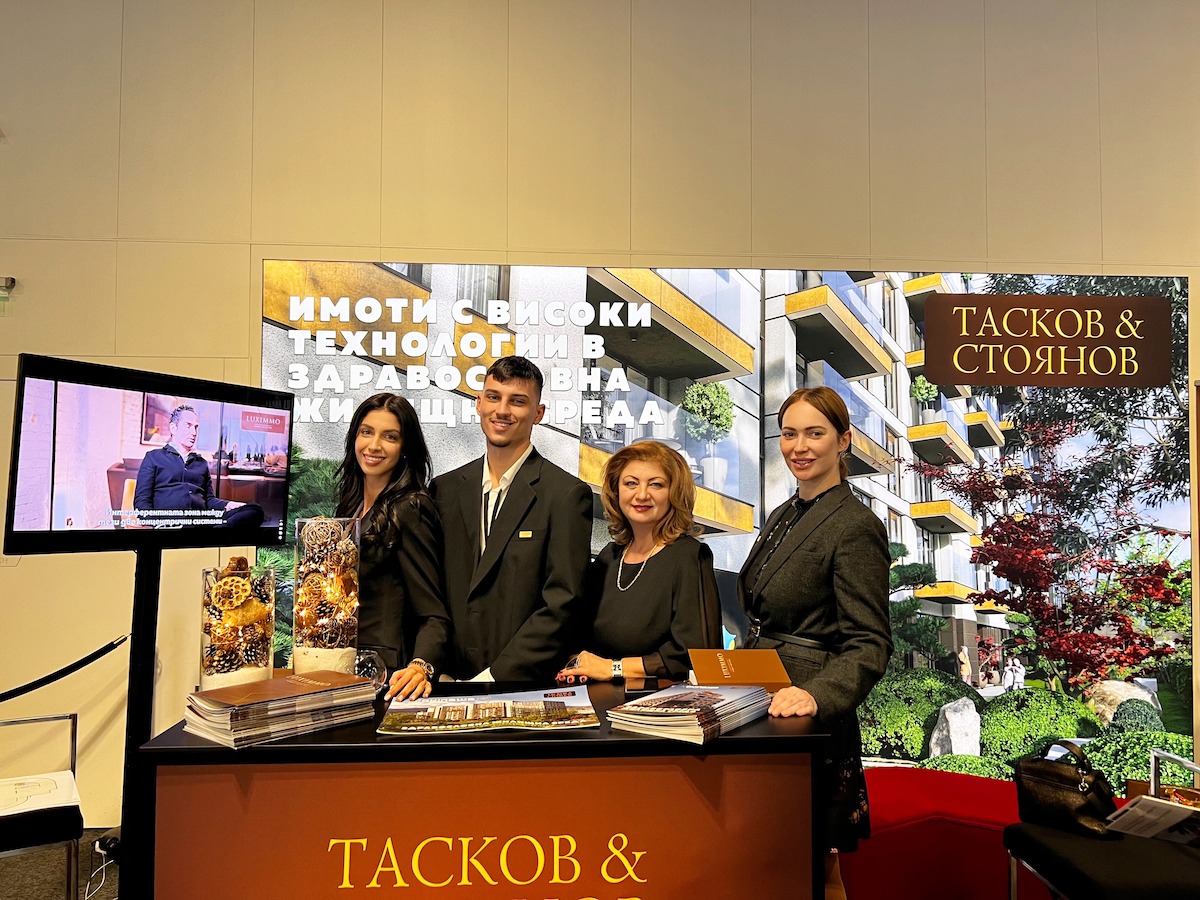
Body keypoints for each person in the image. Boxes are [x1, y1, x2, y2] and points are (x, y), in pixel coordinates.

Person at [737, 386, 891, 900]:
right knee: (770, 860)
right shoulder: (784, 514)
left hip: (809, 710)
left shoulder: (856, 525)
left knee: (816, 868)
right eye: (789, 434)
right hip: (762, 696)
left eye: (814, 433)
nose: (799, 446)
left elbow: (870, 642)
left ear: (843, 440)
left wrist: (817, 695)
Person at [431, 356, 592, 682]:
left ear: (538, 413)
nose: (502, 410)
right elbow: (431, 593)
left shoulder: (566, 495)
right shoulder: (443, 490)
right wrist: (432, 665)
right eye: (494, 397)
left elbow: (563, 603)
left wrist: (494, 676)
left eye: (517, 401)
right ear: (479, 403)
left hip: (522, 688)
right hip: (445, 682)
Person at [556, 441, 722, 685]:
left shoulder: (690, 555)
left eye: (656, 484)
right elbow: (577, 632)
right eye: (631, 483)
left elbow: (693, 655)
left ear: (674, 493)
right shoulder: (608, 557)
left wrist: (613, 668)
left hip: (657, 701)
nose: (642, 494)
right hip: (596, 694)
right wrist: (577, 663)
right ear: (616, 491)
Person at [335, 393, 451, 701]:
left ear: (405, 448)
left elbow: (433, 613)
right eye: (366, 432)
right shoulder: (350, 505)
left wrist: (421, 666)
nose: (374, 446)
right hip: (344, 668)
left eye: (390, 437)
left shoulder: (409, 508)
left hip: (387, 677)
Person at [133, 404, 264, 528]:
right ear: (173, 428)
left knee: (254, 510)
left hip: (201, 520)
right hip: (171, 523)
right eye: (188, 426)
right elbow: (142, 501)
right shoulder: (153, 457)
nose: (194, 432)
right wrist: (157, 525)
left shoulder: (201, 462)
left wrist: (228, 504)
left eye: (196, 427)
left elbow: (209, 500)